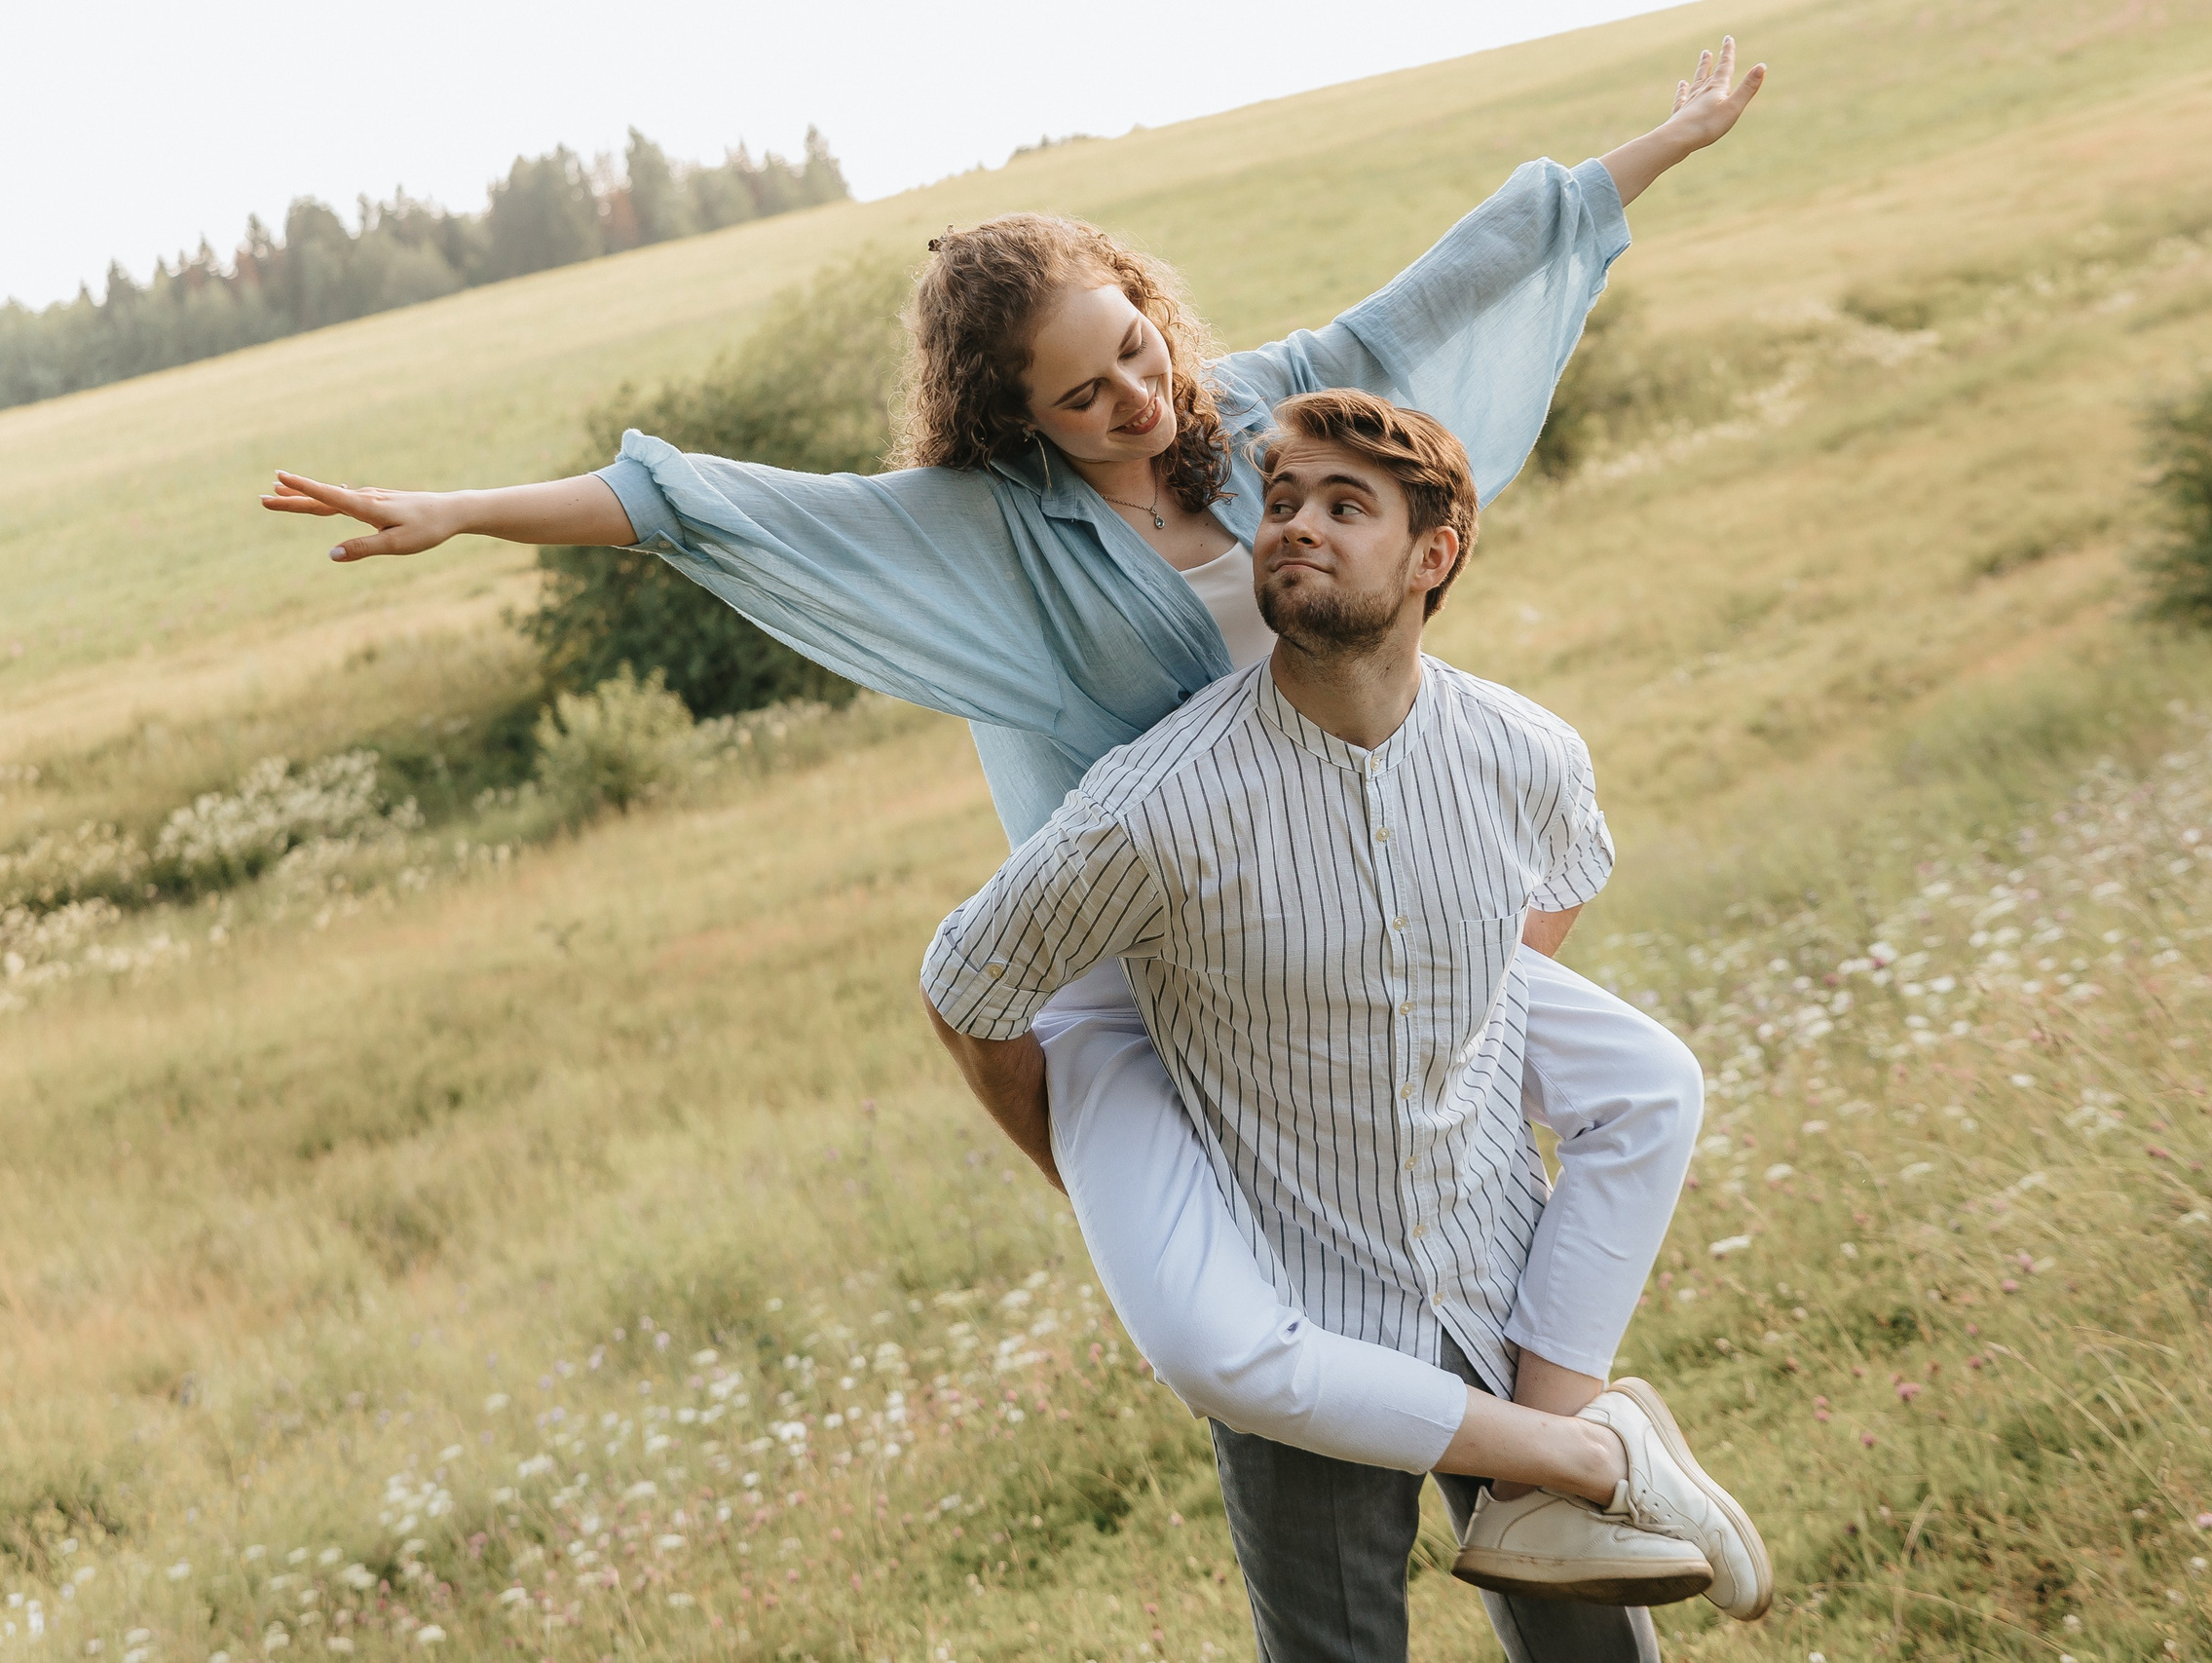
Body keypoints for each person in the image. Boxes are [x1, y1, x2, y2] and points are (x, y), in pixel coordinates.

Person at [258, 39, 1771, 1645]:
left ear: (1146, 298)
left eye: (1136, 344)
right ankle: (1561, 1450)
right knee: (1234, 1345)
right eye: (1083, 392)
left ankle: (1559, 1461)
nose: (1138, 396)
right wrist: (465, 510)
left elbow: (1463, 275)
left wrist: (1658, 149)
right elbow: (720, 507)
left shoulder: (1262, 410)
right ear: (1014, 417)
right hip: (1154, 950)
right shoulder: (983, 531)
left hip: (1363, 879)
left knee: (1646, 1083)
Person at [921, 390, 1768, 1655]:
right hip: (1299, 1331)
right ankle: (1596, 1460)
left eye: (1342, 504)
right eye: (1280, 503)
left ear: (1436, 555)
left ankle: (1577, 1453)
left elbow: (1568, 870)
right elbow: (967, 984)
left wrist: (1459, 1015)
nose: (1294, 527)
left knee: (1598, 1656)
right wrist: (1082, 1173)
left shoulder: (1526, 753)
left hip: (1500, 1292)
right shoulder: (1149, 814)